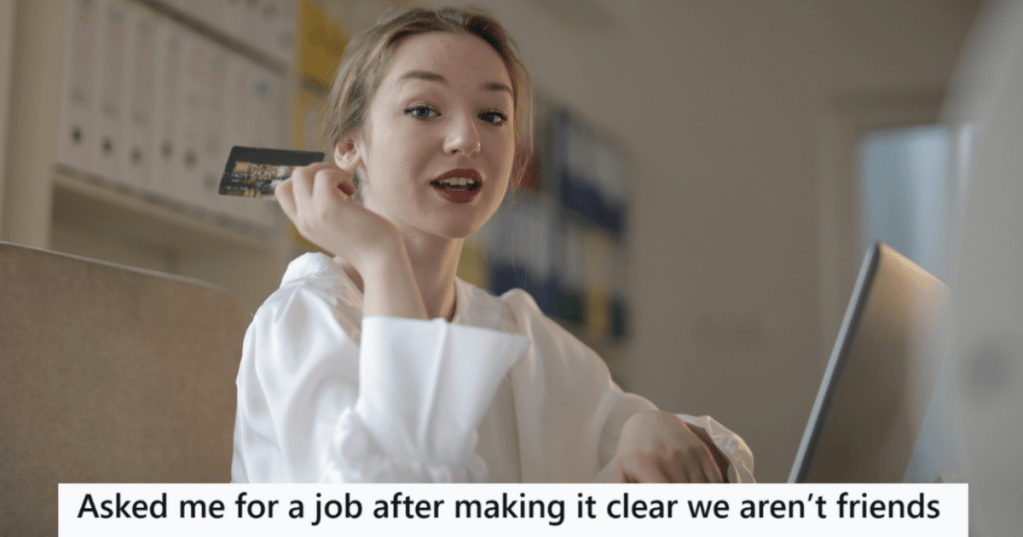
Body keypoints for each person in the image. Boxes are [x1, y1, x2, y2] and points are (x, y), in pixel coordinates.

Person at [231, 6, 754, 484]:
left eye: (492, 115)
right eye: (423, 109)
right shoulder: (302, 320)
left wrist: (652, 425)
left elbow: (707, 458)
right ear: (350, 146)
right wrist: (380, 255)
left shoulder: (520, 332)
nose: (467, 138)